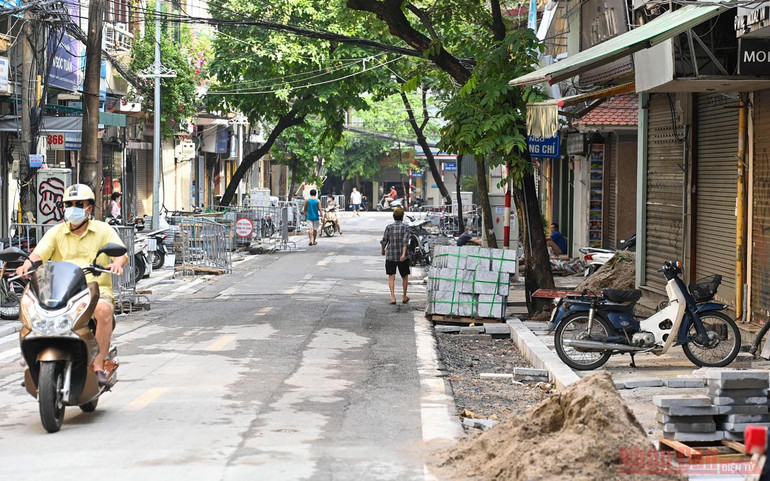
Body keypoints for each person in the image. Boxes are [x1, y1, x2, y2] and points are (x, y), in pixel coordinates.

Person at [16, 184, 127, 386]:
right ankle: (32, 365)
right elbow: (38, 254)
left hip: (94, 290)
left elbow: (121, 254)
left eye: (78, 204)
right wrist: (27, 265)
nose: (72, 208)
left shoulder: (103, 230)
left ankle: (98, 365)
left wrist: (117, 264)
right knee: (30, 309)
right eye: (69, 204)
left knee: (103, 311)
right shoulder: (56, 232)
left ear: (89, 208)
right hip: (61, 291)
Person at [380, 208, 411, 305]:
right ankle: (404, 296)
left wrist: (383, 250)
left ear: (393, 216)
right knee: (404, 276)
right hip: (402, 257)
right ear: (402, 217)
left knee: (391, 276)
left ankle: (393, 297)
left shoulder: (389, 227)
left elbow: (384, 241)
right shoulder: (406, 227)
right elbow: (405, 242)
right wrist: (403, 254)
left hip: (391, 255)